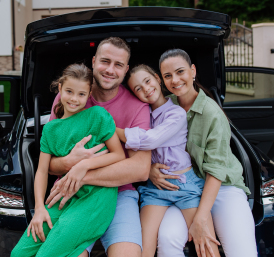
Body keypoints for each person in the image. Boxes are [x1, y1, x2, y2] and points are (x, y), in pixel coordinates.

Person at [45, 37, 152, 257]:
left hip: (120, 195)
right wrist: (68, 163)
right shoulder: (69, 96)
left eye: (118, 65)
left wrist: (81, 171)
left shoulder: (137, 107)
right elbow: (49, 164)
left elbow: (140, 169)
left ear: (126, 70)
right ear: (93, 61)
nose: (110, 70)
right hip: (72, 194)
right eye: (105, 61)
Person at [11, 63, 126, 257]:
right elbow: (41, 171)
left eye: (81, 94)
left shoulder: (97, 116)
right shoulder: (50, 129)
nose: (74, 99)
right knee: (19, 254)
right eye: (69, 92)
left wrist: (84, 164)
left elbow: (118, 155)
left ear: (89, 94)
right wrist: (39, 209)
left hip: (95, 199)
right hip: (65, 196)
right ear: (60, 89)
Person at [154, 49, 256, 257]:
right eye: (167, 76)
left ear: (193, 71)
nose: (175, 80)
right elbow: (151, 144)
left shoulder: (212, 113)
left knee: (242, 252)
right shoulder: (164, 106)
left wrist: (201, 218)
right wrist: (150, 169)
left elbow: (216, 170)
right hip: (184, 187)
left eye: (180, 71)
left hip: (222, 188)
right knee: (167, 239)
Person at [115, 64, 220, 257]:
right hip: (155, 188)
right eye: (138, 88)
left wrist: (112, 129)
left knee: (206, 246)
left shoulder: (176, 113)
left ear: (157, 78)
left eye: (147, 81)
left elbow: (151, 139)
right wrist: (151, 167)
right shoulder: (142, 116)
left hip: (185, 186)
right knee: (143, 249)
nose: (146, 89)